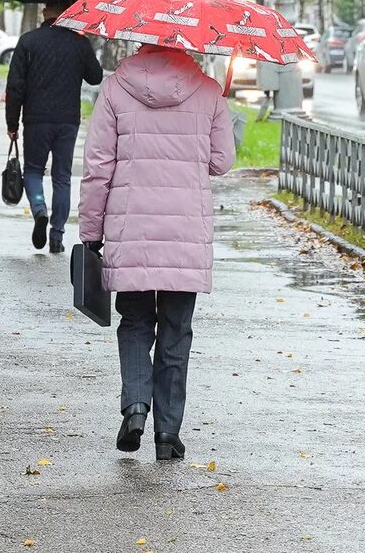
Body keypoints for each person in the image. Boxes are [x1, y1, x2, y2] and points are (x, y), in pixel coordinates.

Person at [77, 44, 235, 461]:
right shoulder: (208, 92)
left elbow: (97, 168)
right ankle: (168, 434)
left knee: (134, 323)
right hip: (185, 234)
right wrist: (220, 114)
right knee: (176, 333)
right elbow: (221, 162)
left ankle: (134, 407)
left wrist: (91, 231)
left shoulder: (115, 90)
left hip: (131, 231)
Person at [6, 0, 104, 254]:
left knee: (34, 171)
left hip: (36, 119)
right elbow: (95, 76)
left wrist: (12, 123)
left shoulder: (29, 41)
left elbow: (15, 85)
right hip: (67, 120)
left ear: (46, 11)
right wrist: (85, 44)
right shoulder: (78, 42)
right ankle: (57, 234)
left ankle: (39, 209)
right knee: (62, 177)